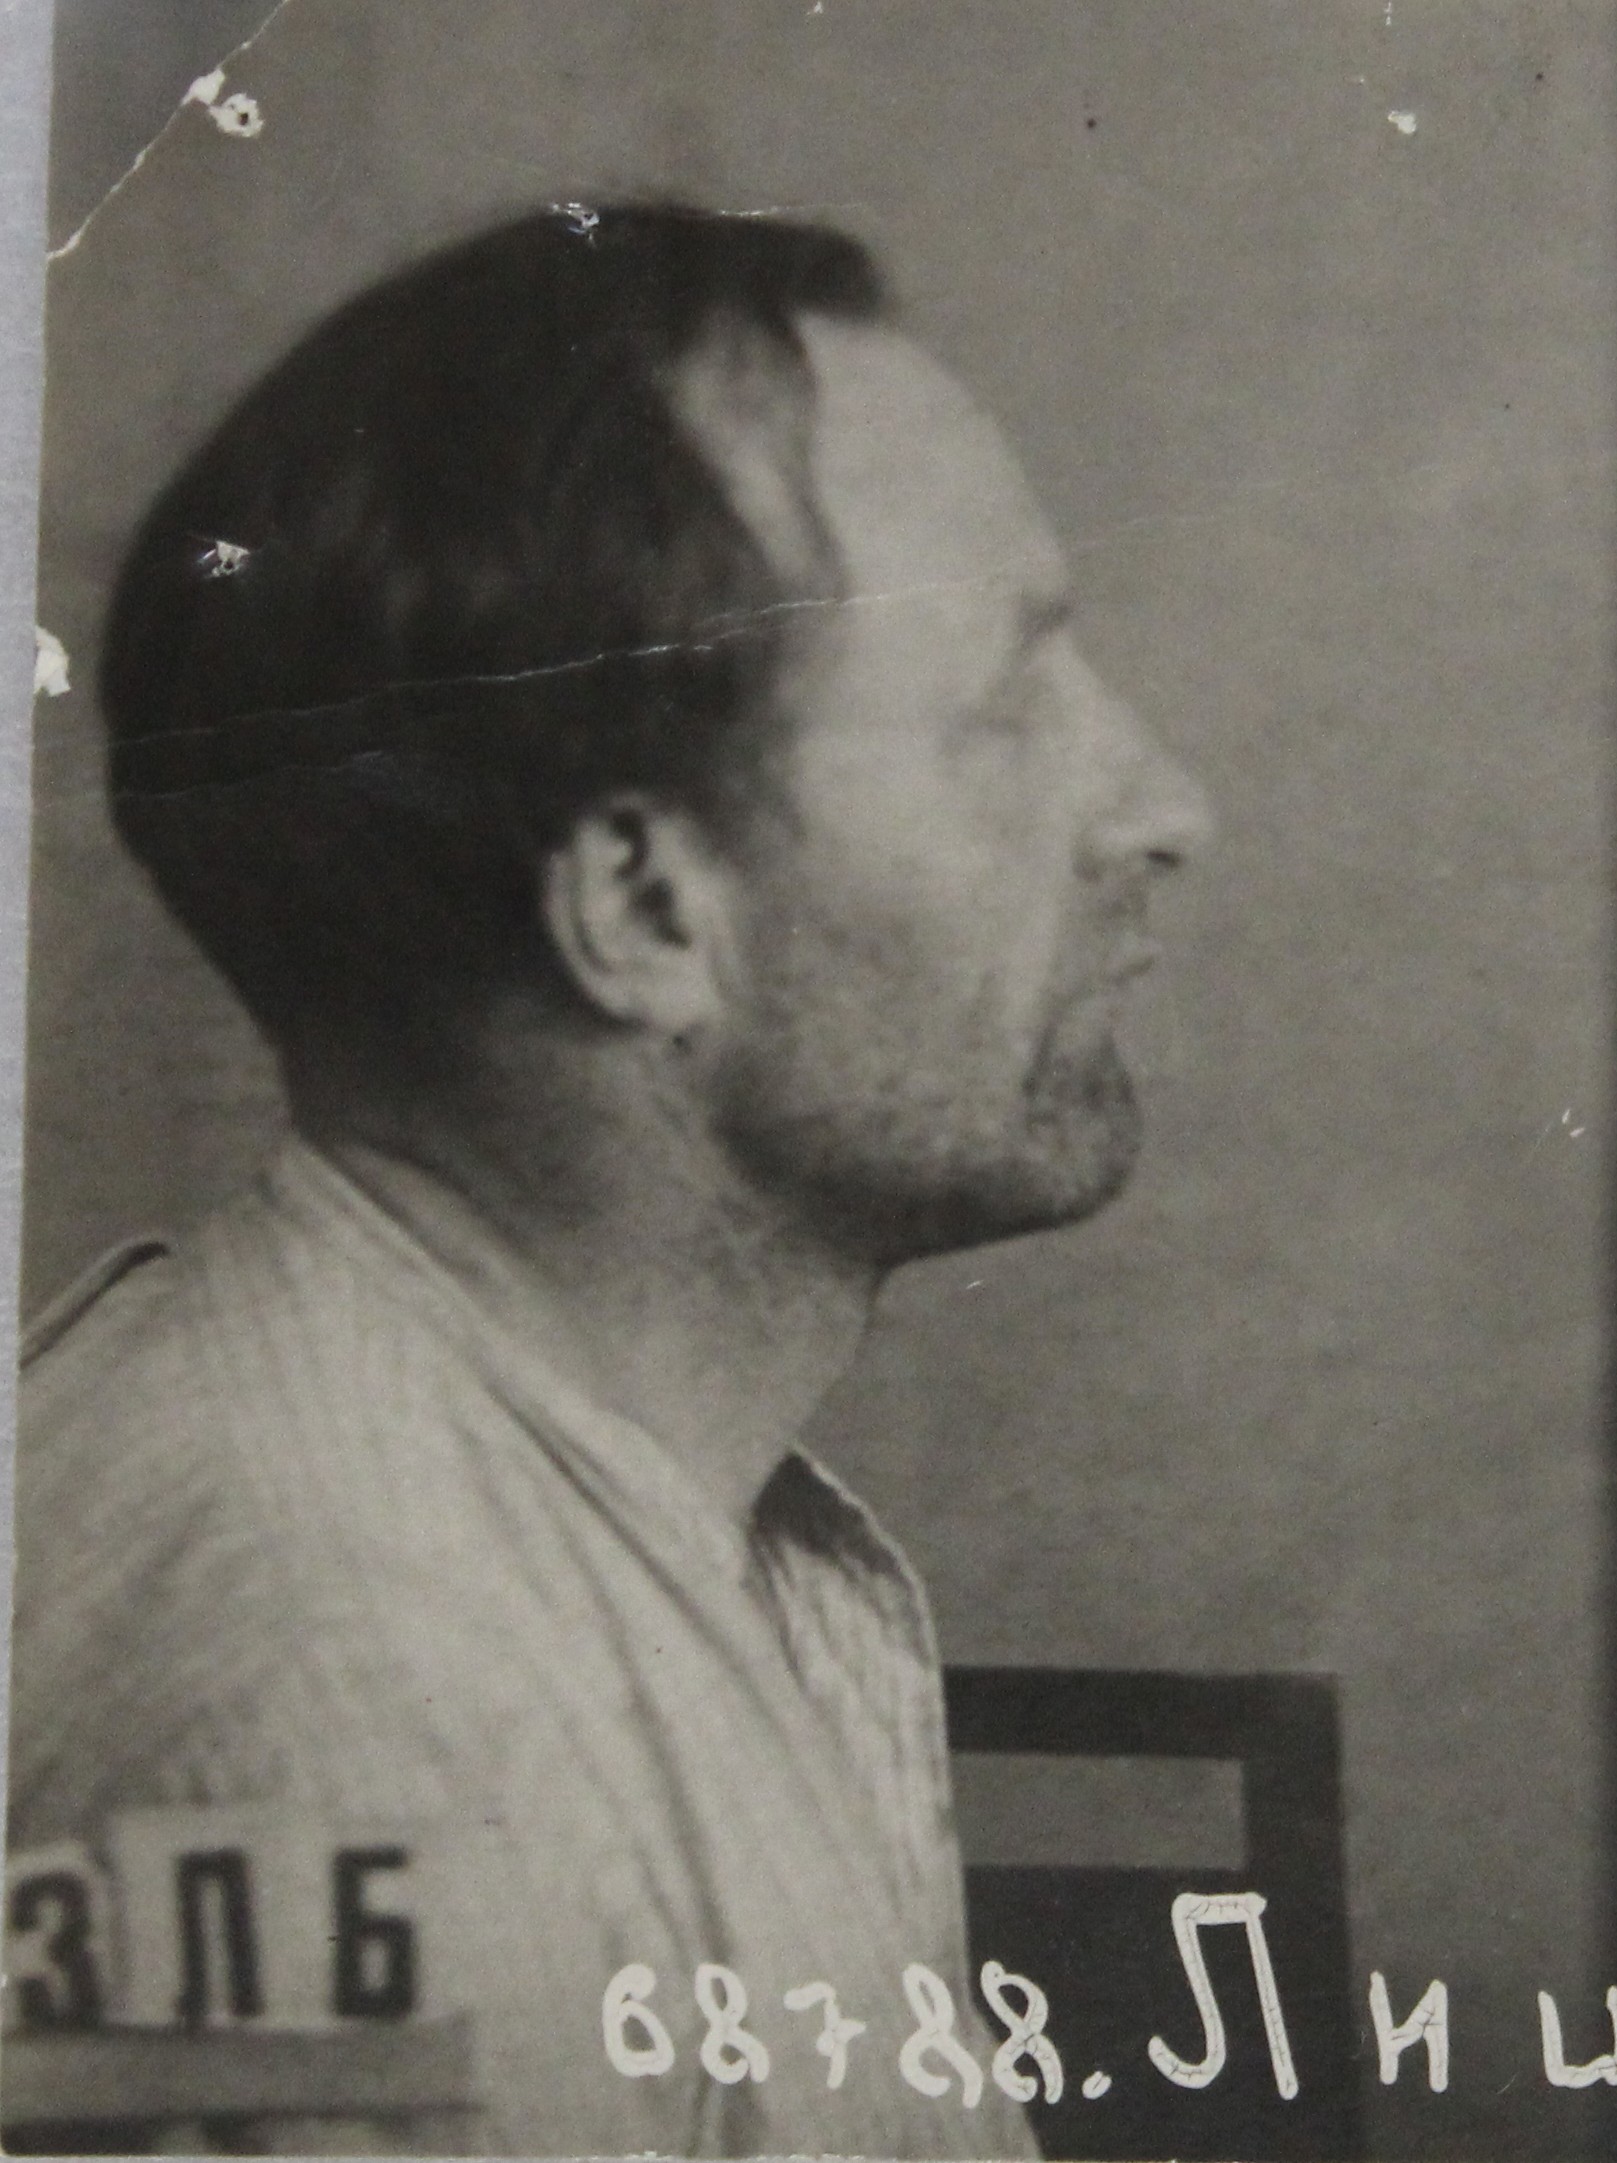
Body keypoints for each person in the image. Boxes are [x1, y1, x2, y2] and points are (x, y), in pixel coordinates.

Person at [6, 203, 1208, 2154]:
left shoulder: (606, 1520)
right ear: (645, 911)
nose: (1162, 806)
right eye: (1004, 710)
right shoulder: (361, 1712)